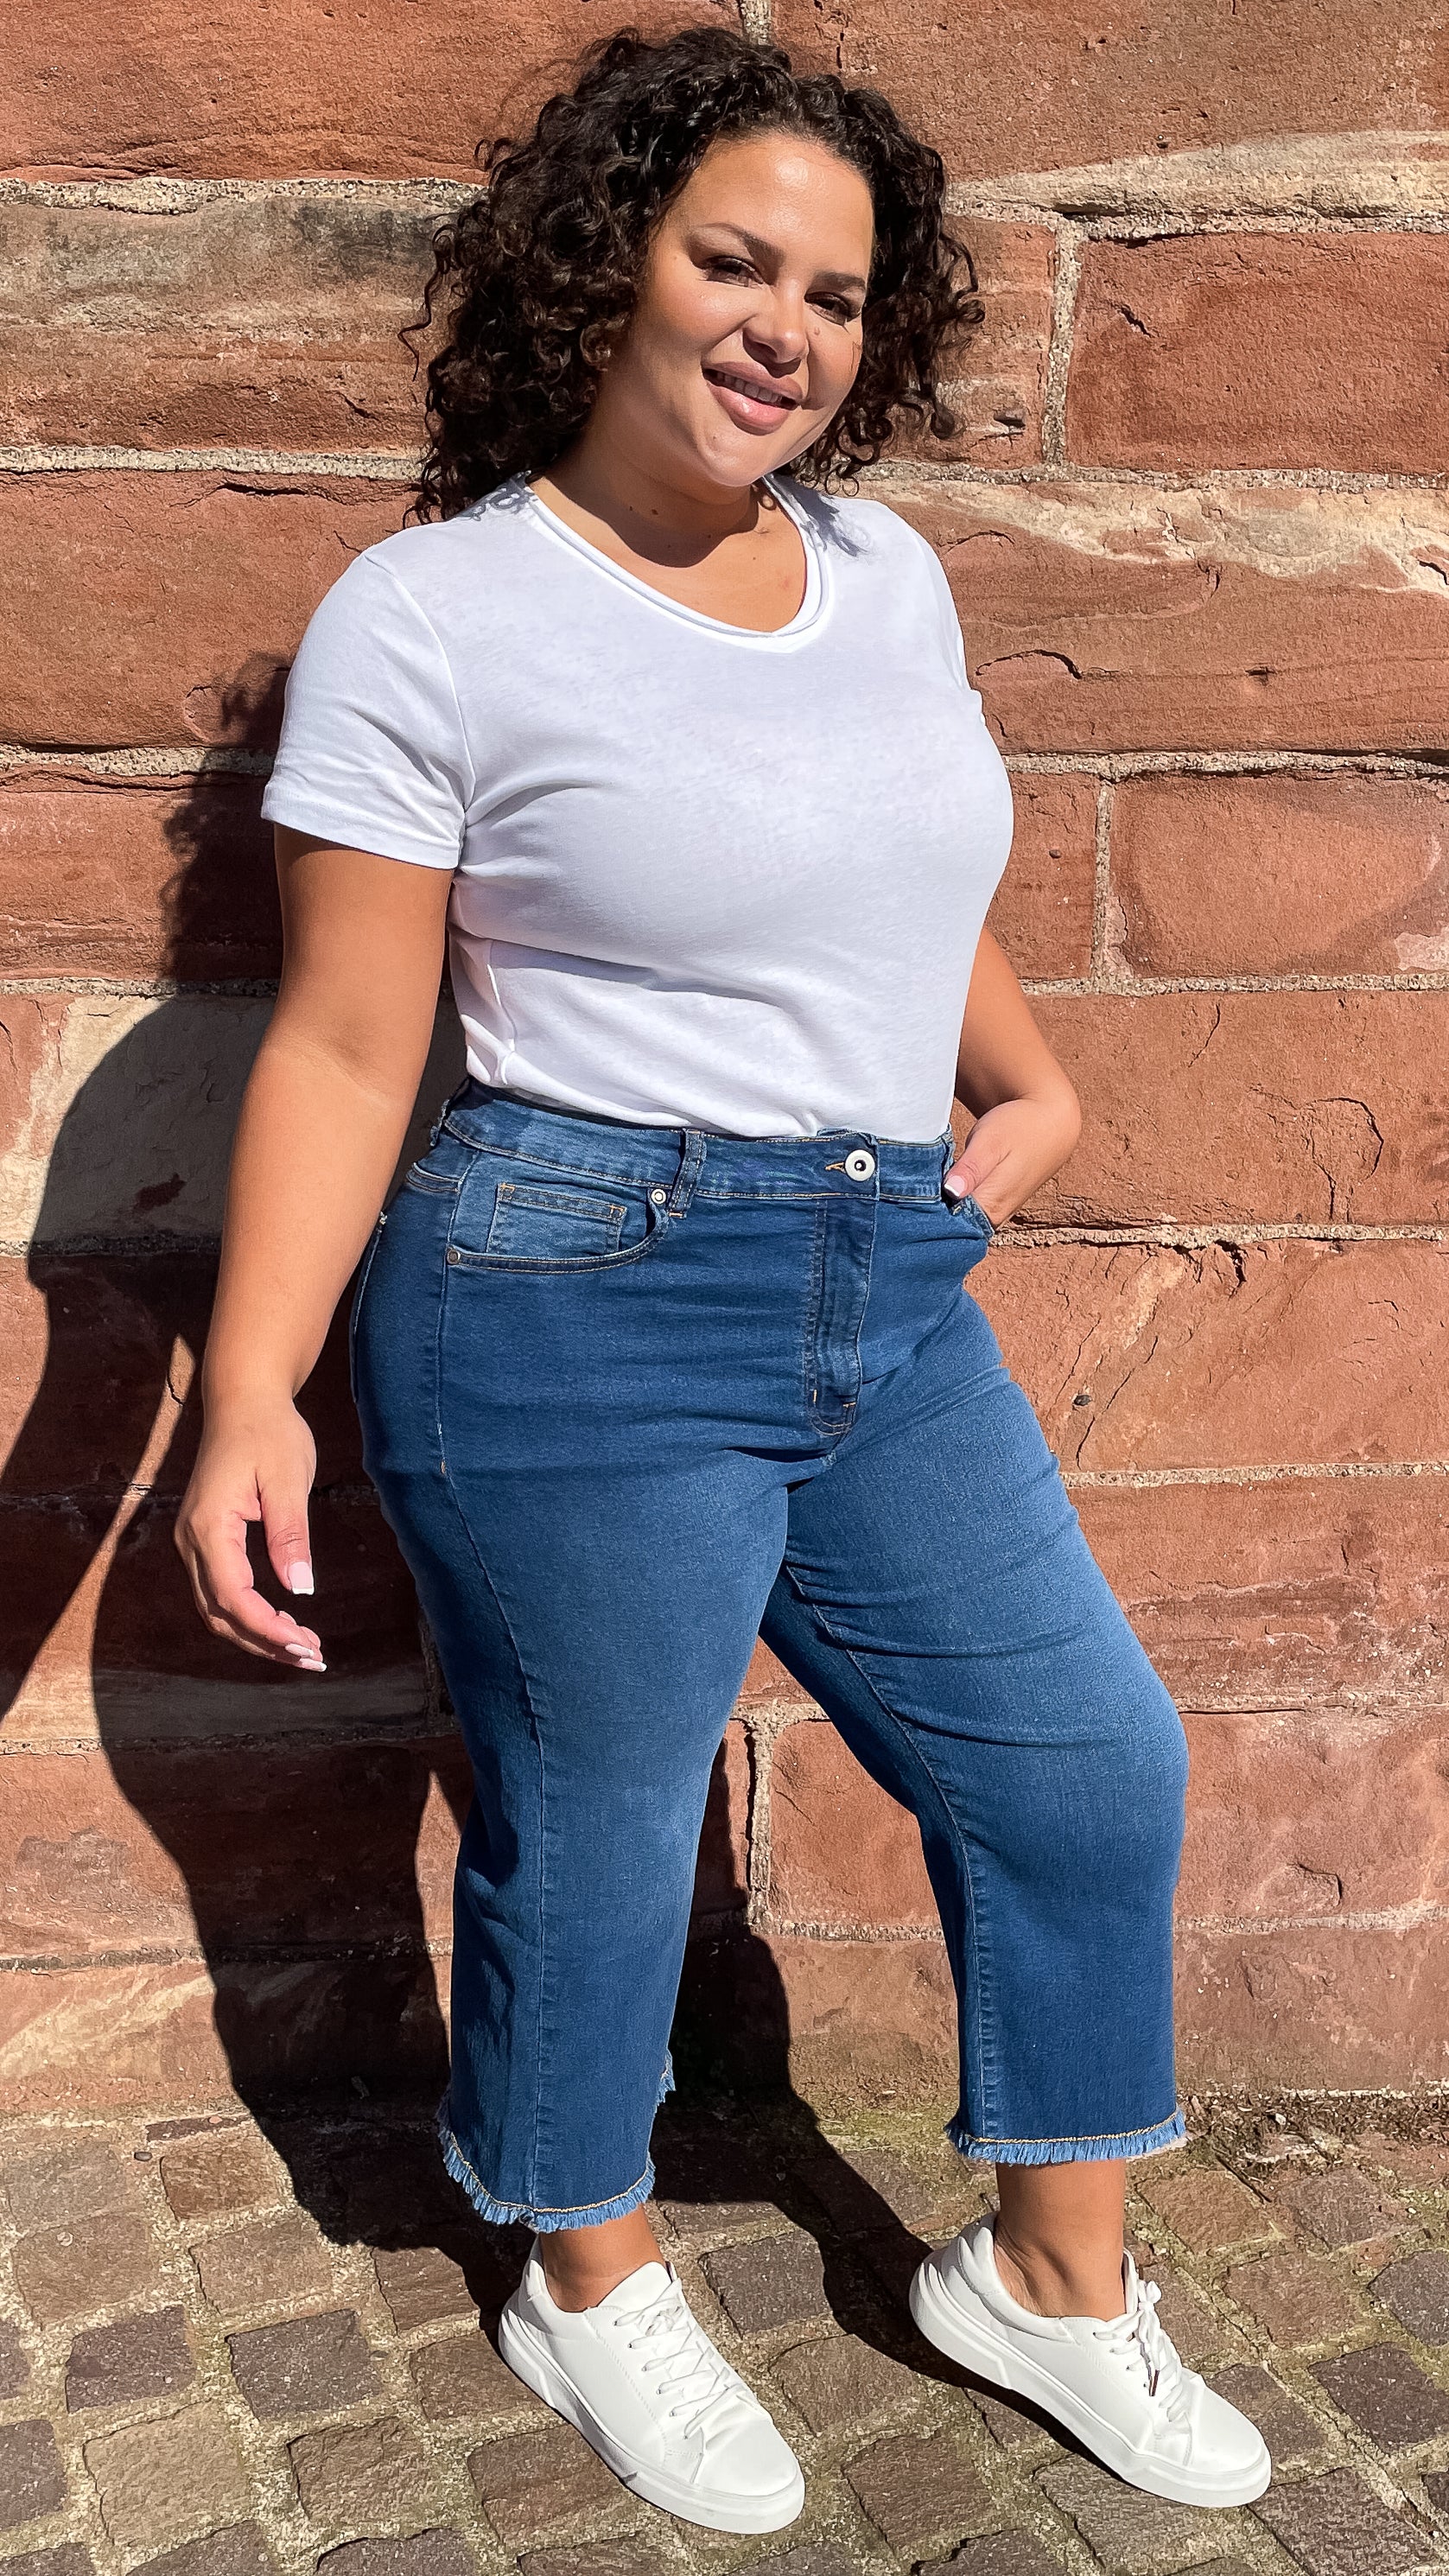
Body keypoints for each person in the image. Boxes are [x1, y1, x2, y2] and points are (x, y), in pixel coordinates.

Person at [174, 23, 1270, 2536]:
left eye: (839, 294)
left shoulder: (886, 575)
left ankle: (1054, 2283)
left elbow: (894, 859)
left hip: (881, 1282)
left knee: (1084, 1767)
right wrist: (245, 1400)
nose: (787, 328)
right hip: (572, 1283)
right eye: (734, 262)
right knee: (603, 1821)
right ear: (609, 266)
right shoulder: (437, 615)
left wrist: (1030, 1081)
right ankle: (585, 2274)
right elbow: (346, 1044)